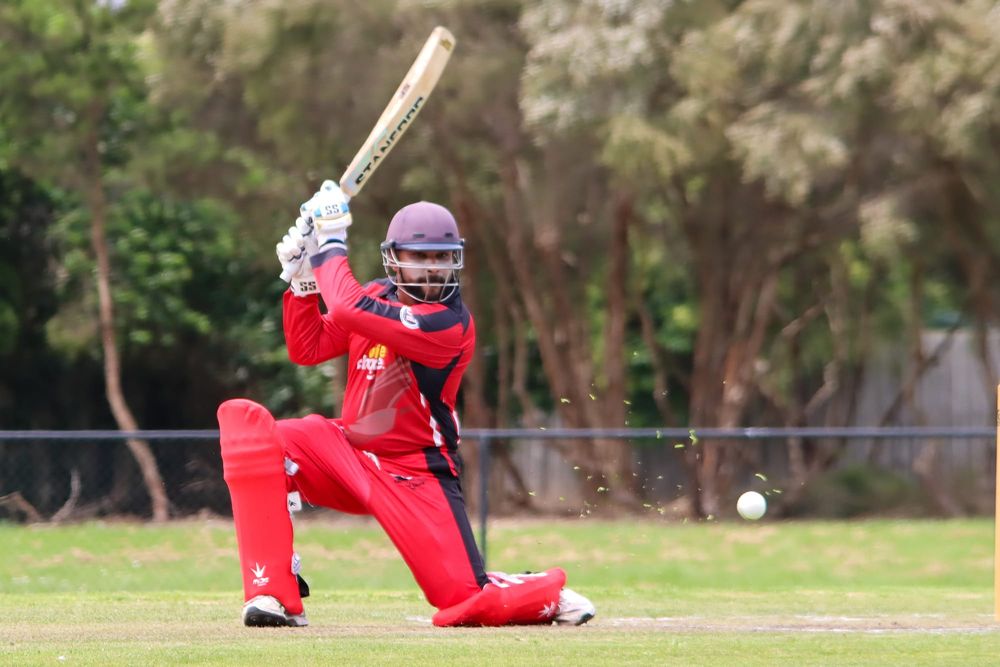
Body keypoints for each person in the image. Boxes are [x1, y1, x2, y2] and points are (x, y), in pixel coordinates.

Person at [217, 180, 595, 627]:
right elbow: (308, 347)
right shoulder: (375, 296)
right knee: (256, 438)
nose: (432, 269)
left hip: (415, 471)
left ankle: (542, 592)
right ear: (394, 258)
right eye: (420, 256)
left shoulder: (448, 324)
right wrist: (302, 283)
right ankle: (271, 593)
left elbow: (347, 306)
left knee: (463, 604)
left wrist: (330, 242)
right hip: (347, 452)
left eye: (441, 257)